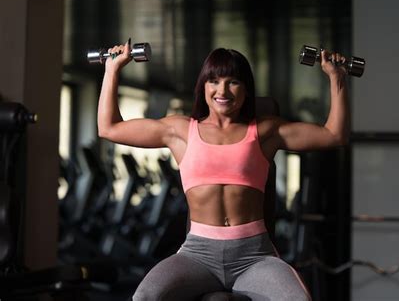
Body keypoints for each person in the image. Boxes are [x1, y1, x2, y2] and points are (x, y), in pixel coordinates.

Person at [98, 39, 349, 301]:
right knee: (145, 298)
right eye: (214, 81)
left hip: (254, 256)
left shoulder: (265, 132)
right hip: (197, 255)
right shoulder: (180, 131)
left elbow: (334, 135)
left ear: (246, 90)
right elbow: (109, 128)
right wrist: (112, 70)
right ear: (203, 87)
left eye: (233, 82)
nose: (223, 90)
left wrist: (337, 77)